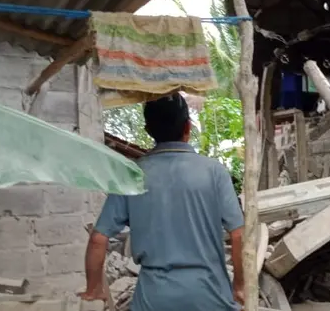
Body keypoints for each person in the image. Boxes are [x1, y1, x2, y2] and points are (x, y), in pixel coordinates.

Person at [79, 94, 245, 311]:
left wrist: (93, 289)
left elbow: (98, 239)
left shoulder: (133, 175)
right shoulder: (214, 172)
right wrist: (239, 285)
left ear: (148, 130)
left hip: (153, 299)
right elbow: (238, 234)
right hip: (209, 295)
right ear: (188, 126)